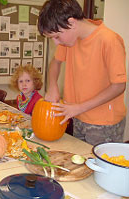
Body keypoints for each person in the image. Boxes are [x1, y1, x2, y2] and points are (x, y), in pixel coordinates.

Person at [38, 0, 127, 145]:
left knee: (99, 166)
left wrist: (78, 107)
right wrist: (52, 85)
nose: (56, 42)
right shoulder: (69, 39)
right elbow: (55, 62)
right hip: (77, 115)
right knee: (81, 161)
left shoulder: (109, 40)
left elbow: (119, 86)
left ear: (72, 23)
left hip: (104, 124)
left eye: (56, 36)